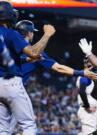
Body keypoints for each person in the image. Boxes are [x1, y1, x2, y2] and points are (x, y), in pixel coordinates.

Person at [0, 1, 55, 135]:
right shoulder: (11, 33)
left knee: (2, 129)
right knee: (28, 125)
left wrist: (25, 59)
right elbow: (34, 53)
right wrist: (47, 34)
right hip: (10, 83)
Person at [76, 57, 97, 135]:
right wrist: (87, 106)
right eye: (91, 62)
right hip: (87, 112)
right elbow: (82, 92)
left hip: (89, 112)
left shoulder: (87, 75)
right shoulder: (85, 76)